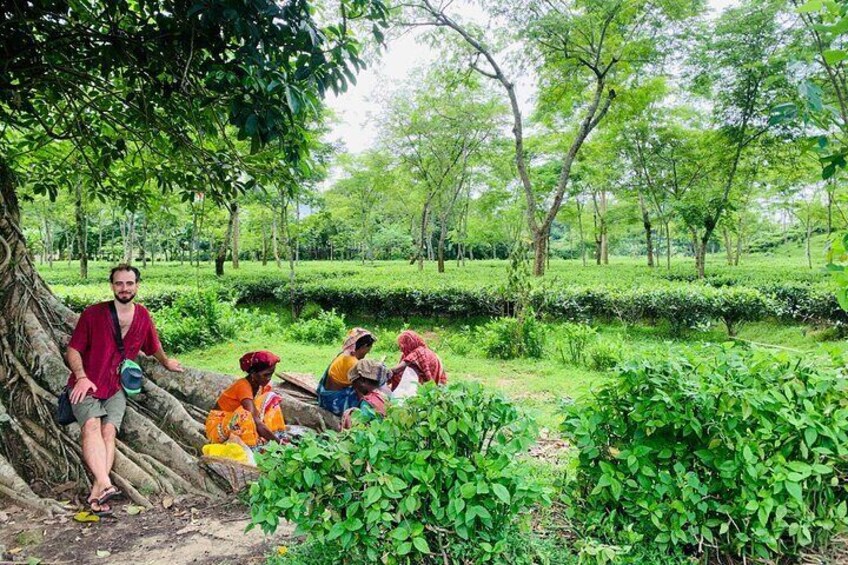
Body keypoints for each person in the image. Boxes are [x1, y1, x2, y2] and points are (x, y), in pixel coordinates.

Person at [65, 264, 183, 516]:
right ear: (112, 286)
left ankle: (98, 490)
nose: (124, 288)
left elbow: (153, 345)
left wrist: (166, 362)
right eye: (119, 283)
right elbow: (73, 349)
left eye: (129, 283)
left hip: (116, 387)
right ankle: (105, 483)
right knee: (92, 425)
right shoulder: (93, 314)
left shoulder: (142, 315)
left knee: (109, 432)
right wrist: (81, 377)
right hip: (87, 385)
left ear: (137, 286)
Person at [205, 350, 287, 447]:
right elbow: (254, 420)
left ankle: (275, 438)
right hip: (218, 427)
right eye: (265, 375)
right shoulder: (243, 386)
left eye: (271, 374)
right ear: (253, 373)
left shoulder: (261, 385)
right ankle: (254, 447)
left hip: (235, 422)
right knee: (245, 414)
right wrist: (279, 444)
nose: (269, 378)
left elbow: (261, 414)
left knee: (271, 398)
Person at [317, 328, 375, 415]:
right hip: (332, 401)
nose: (368, 352)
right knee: (369, 393)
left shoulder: (346, 354)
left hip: (325, 394)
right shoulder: (353, 363)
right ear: (364, 347)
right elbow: (360, 391)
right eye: (368, 349)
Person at [341, 359, 391, 430]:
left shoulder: (366, 403)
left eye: (355, 384)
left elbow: (362, 427)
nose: (356, 389)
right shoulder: (387, 391)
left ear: (362, 380)